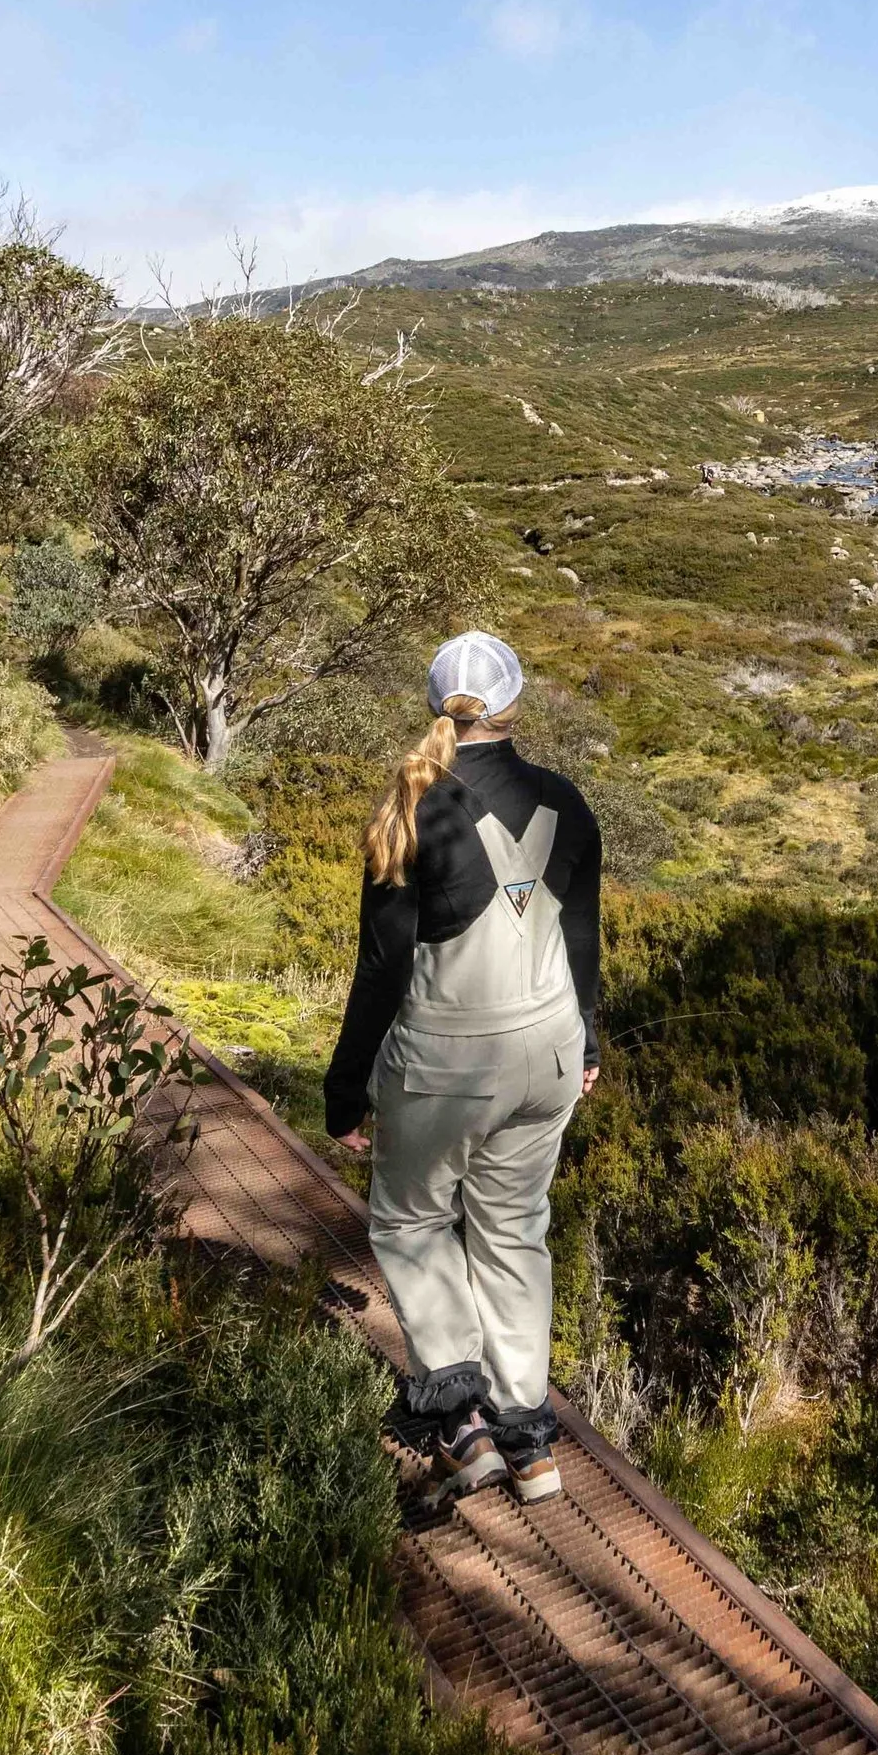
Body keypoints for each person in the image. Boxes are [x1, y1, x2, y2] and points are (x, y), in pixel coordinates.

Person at [325, 629, 601, 1504]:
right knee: (515, 1227)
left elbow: (383, 969)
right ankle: (529, 1439)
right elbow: (582, 940)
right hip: (550, 1054)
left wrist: (346, 1088)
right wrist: (587, 1044)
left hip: (447, 1061)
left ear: (435, 703)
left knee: (410, 1226)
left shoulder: (412, 809)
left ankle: (460, 1421)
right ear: (516, 704)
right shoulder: (567, 803)